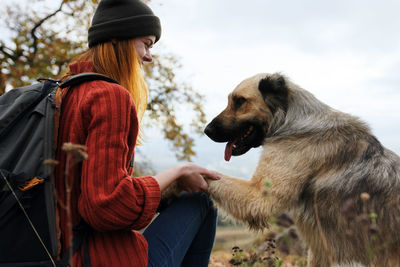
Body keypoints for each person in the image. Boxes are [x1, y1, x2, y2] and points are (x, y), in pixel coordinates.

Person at [54, 0, 220, 266]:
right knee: (201, 201)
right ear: (118, 39)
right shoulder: (109, 97)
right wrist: (177, 172)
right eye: (146, 43)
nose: (149, 56)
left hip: (58, 255)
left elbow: (89, 189)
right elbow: (107, 207)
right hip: (99, 259)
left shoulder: (63, 92)